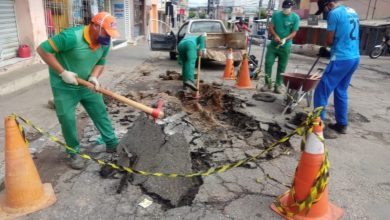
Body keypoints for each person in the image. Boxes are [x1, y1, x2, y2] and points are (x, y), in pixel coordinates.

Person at [37, 12, 120, 169]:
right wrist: (63, 72)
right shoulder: (71, 37)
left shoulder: (104, 42)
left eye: (111, 34)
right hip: (64, 86)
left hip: (86, 84)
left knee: (100, 111)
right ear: (95, 26)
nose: (109, 37)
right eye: (106, 32)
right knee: (67, 119)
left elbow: (101, 62)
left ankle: (112, 143)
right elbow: (42, 50)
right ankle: (73, 153)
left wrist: (94, 77)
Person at [313, 0, 360, 138]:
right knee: (341, 90)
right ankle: (342, 124)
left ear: (328, 5)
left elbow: (329, 40)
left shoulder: (334, 14)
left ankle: (317, 125)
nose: (325, 13)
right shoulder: (352, 11)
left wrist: (326, 49)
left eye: (324, 10)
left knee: (321, 91)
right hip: (354, 57)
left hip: (341, 58)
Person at [261, 0, 300, 94]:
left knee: (282, 67)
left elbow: (294, 32)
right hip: (274, 45)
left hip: (285, 46)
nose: (285, 10)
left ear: (291, 8)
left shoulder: (295, 18)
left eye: (287, 8)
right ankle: (268, 83)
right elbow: (270, 27)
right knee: (268, 63)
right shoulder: (276, 15)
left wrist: (285, 39)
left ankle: (278, 85)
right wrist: (275, 36)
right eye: (284, 8)